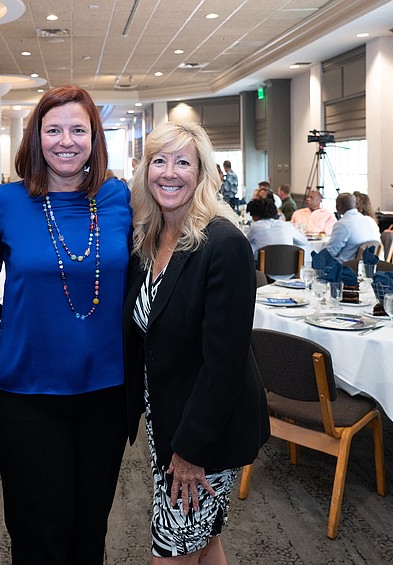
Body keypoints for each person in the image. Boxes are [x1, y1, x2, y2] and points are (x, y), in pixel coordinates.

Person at [0, 85, 131, 564]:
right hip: (25, 393)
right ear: (36, 137)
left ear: (94, 137)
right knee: (37, 530)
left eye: (78, 129)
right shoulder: (3, 202)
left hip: (105, 391)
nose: (66, 140)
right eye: (54, 129)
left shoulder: (119, 197)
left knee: (90, 528)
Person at [122, 121, 269, 562]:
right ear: (145, 171)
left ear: (202, 172)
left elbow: (224, 363)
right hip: (166, 420)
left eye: (183, 162)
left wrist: (190, 452)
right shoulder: (148, 238)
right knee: (203, 542)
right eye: (159, 161)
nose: (169, 172)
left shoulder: (224, 243)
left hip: (204, 433)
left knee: (171, 552)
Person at [245, 197, 311, 261]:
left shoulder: (255, 227)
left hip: (265, 268)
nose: (252, 218)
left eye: (252, 215)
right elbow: (304, 242)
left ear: (256, 215)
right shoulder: (286, 225)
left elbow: (246, 242)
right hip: (289, 268)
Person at [325, 193, 381, 262]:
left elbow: (331, 252)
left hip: (347, 267)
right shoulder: (369, 220)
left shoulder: (342, 224)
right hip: (371, 265)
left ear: (340, 206)